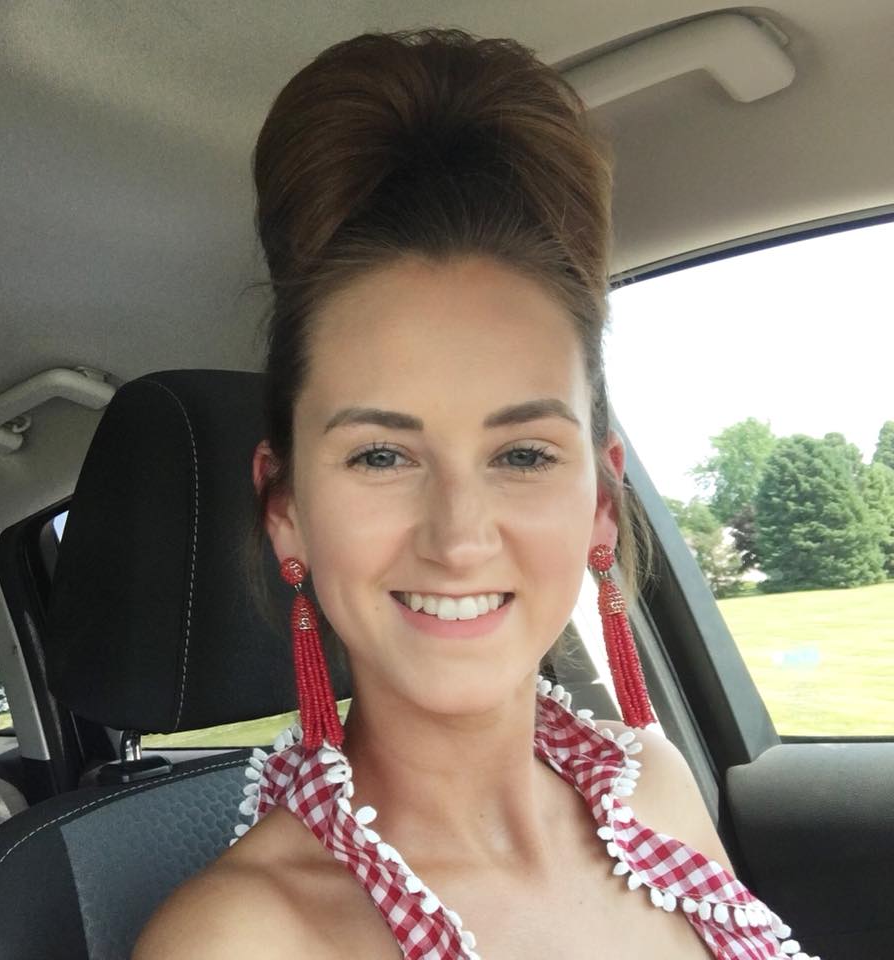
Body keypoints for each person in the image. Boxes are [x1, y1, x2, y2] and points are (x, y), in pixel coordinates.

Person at [133, 29, 814, 960]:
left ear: (603, 504)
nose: (458, 537)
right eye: (380, 456)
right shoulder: (245, 939)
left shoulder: (652, 789)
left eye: (524, 454)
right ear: (285, 510)